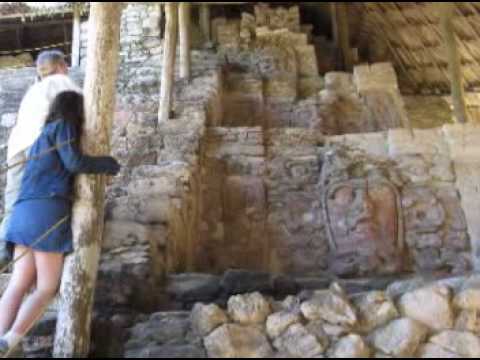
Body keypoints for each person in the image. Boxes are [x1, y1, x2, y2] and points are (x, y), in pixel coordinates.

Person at [0, 91, 120, 355]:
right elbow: (73, 161)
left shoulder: (40, 139)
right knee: (45, 288)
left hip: (22, 211)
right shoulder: (63, 126)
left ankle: (0, 336)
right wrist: (108, 164)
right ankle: (9, 340)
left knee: (19, 283)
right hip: (46, 211)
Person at [0, 50, 81, 267]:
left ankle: (4, 253)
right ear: (62, 66)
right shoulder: (63, 83)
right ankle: (44, 258)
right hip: (40, 148)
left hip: (16, 149)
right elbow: (82, 116)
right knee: (45, 200)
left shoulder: (32, 90)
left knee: (15, 202)